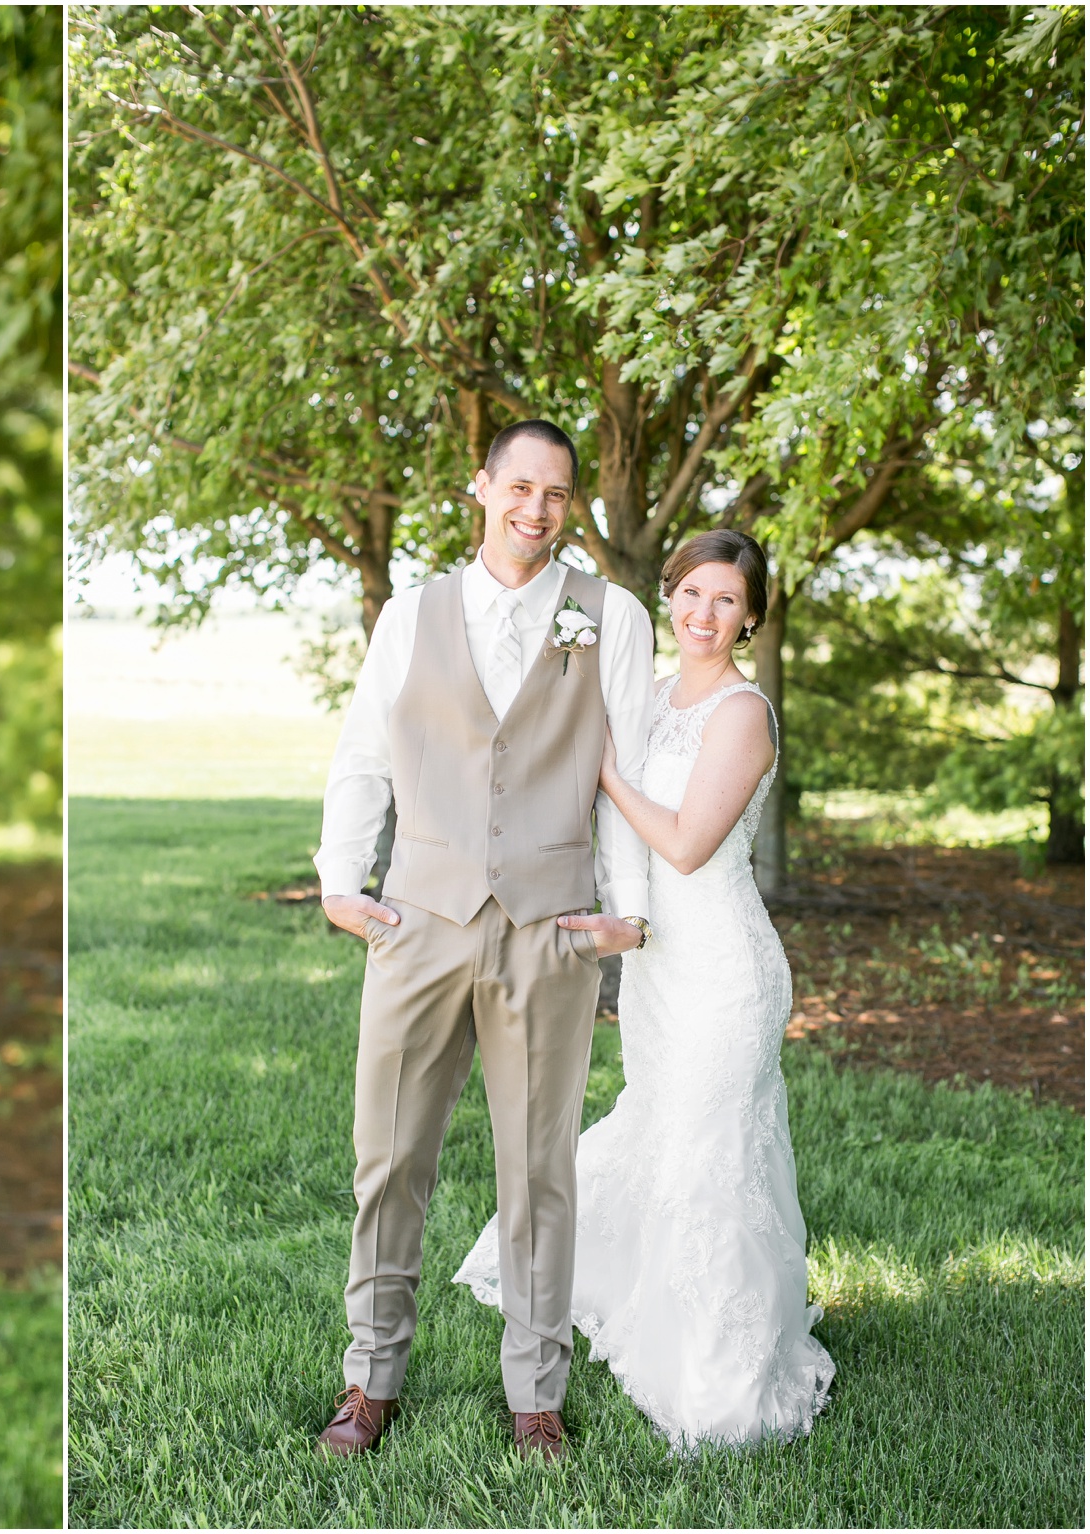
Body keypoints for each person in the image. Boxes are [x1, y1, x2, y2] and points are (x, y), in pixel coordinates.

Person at [311, 419, 655, 1461]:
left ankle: (534, 1393)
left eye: (554, 494)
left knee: (537, 1168)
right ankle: (370, 1377)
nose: (534, 510)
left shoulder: (614, 615)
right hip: (418, 918)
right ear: (480, 486)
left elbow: (627, 771)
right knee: (389, 1158)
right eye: (517, 487)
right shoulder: (408, 614)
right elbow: (362, 753)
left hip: (548, 929)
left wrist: (624, 911)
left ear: (570, 504)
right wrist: (339, 877)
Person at [453, 529, 836, 1452]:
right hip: (661, 967)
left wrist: (606, 767)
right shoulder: (655, 696)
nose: (705, 614)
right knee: (664, 1137)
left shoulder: (744, 714)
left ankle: (723, 1380)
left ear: (751, 618)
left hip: (727, 974)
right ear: (671, 596)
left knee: (711, 1161)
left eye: (727, 601)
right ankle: (650, 1316)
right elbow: (614, 833)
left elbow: (687, 842)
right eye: (692, 593)